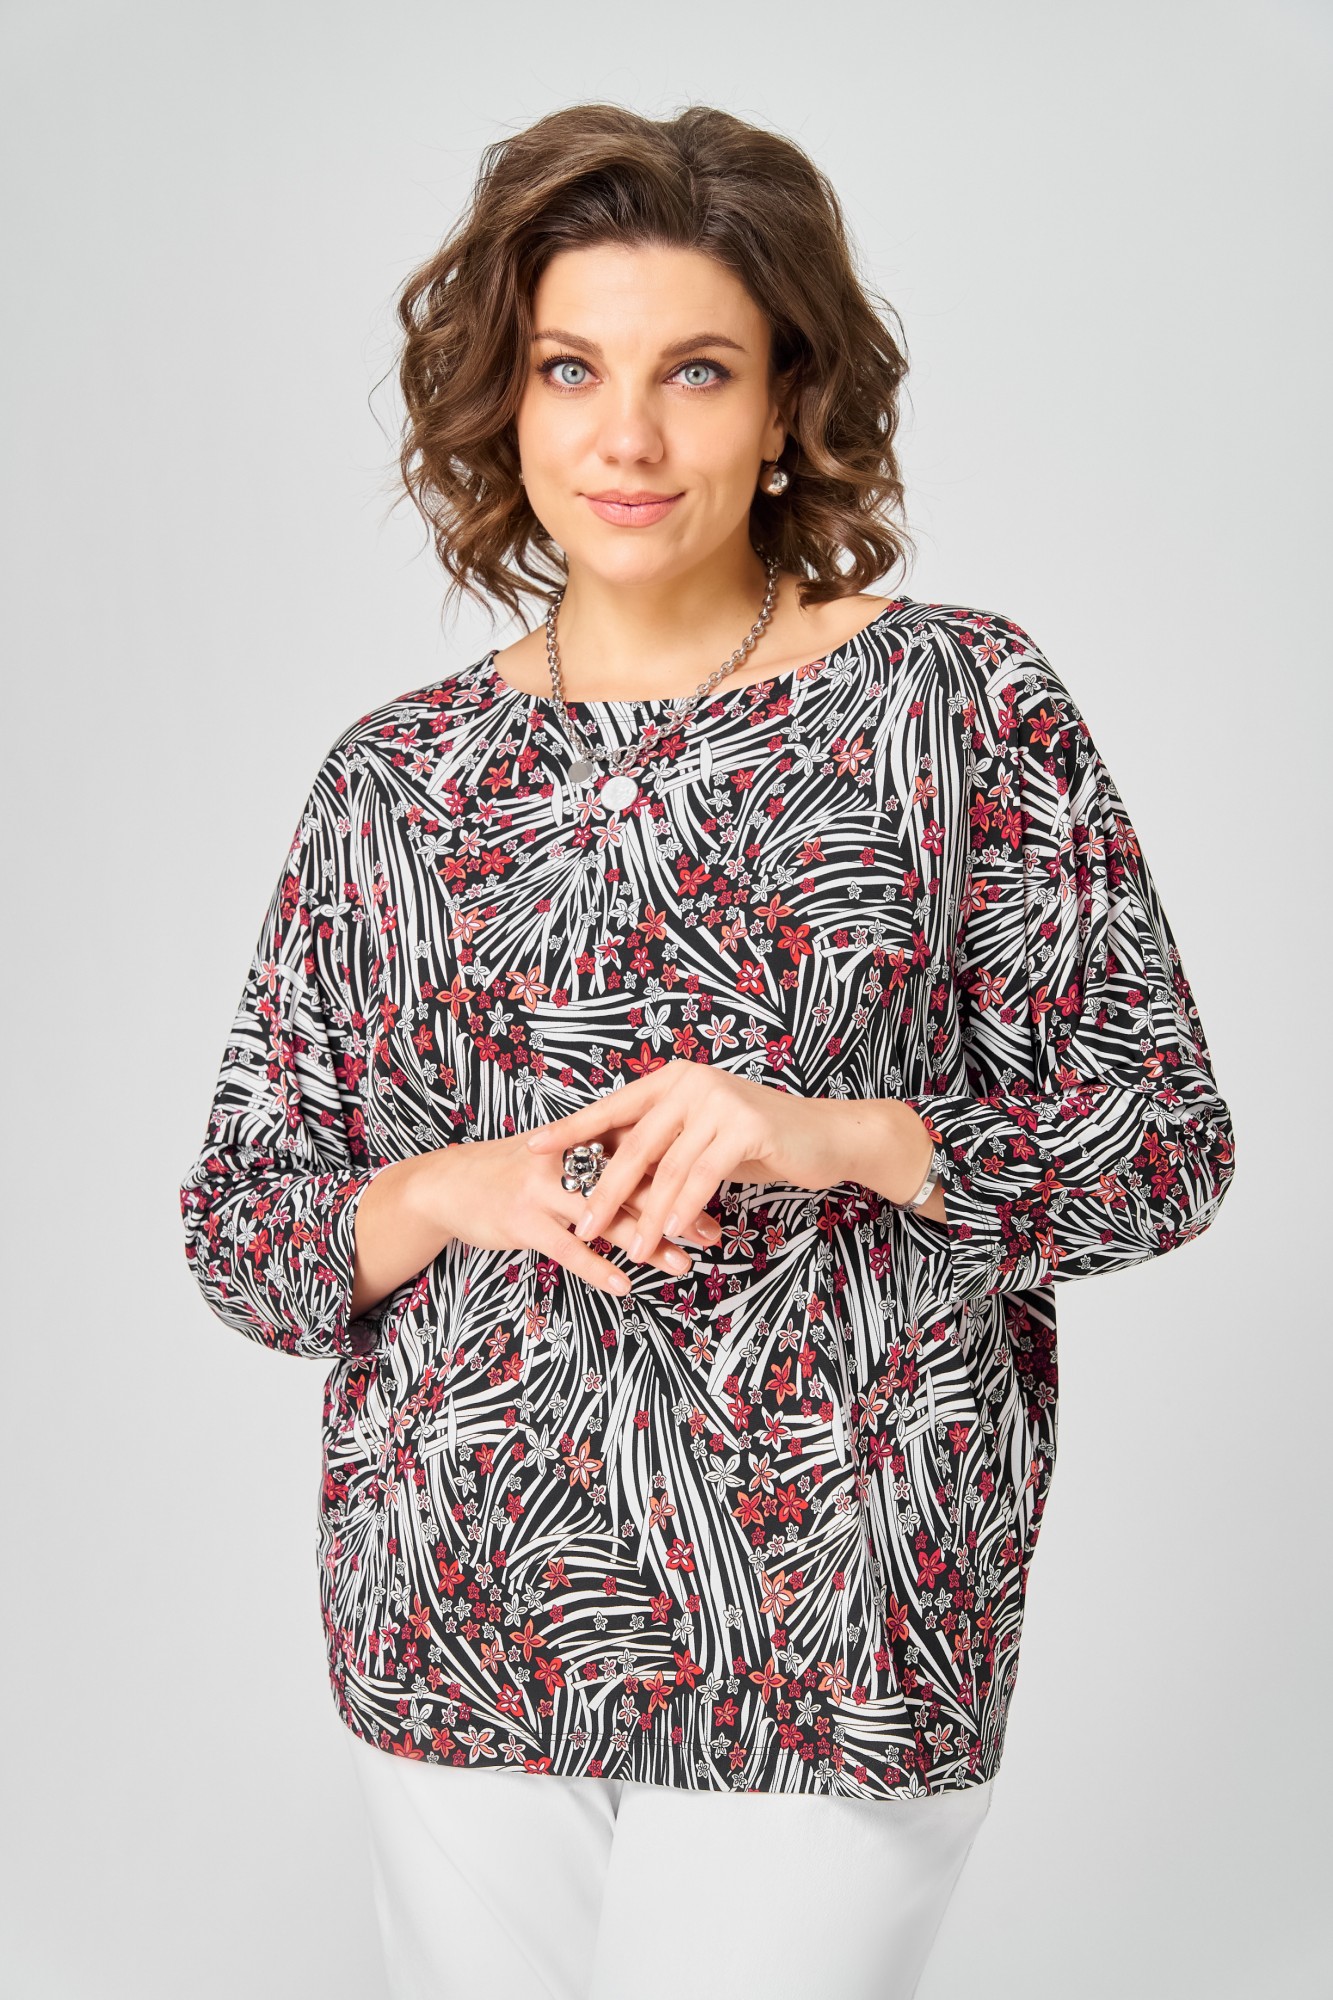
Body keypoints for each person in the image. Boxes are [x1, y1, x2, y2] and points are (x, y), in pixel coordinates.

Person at [178, 101, 1237, 2000]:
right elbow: (244, 1238)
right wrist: (446, 1190)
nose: (627, 438)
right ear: (503, 402)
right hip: (454, 1613)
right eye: (568, 368)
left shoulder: (952, 703)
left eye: (695, 371)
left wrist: (831, 1135)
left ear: (784, 406)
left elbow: (1162, 1147)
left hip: (839, 1615)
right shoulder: (393, 782)